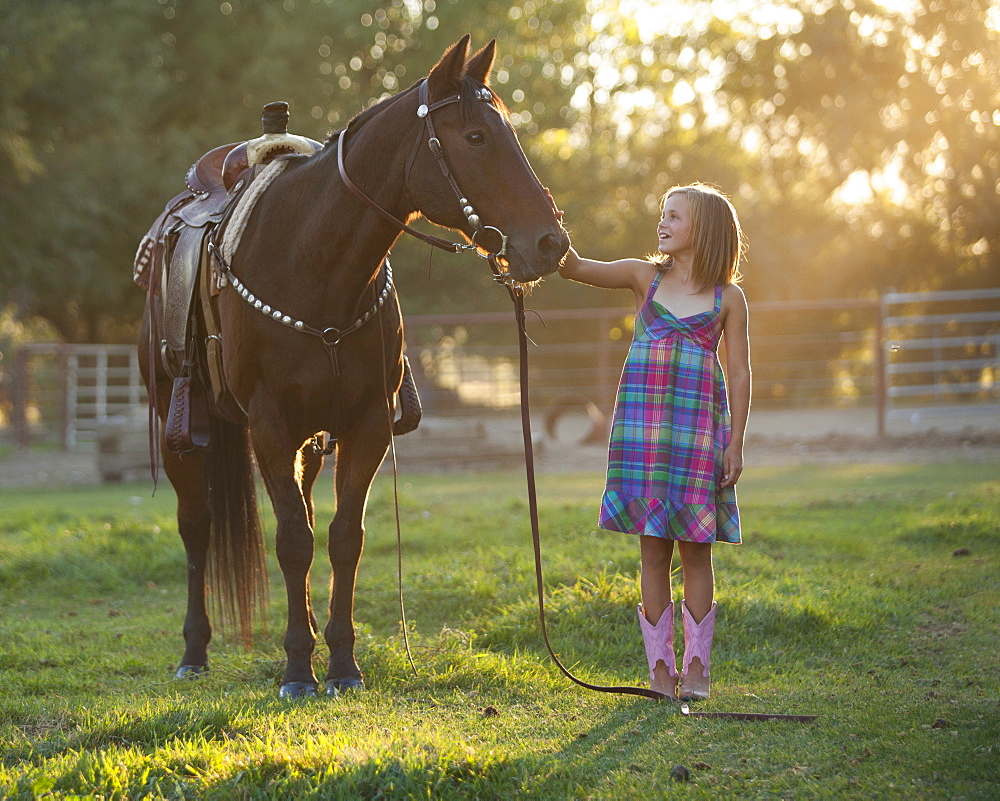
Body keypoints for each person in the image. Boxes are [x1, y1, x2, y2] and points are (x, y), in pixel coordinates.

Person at [558, 183, 750, 701]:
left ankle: (697, 669)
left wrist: (735, 442)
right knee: (651, 550)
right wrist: (553, 235)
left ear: (702, 229)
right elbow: (575, 267)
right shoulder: (643, 277)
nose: (661, 224)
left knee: (695, 553)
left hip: (696, 436)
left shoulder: (727, 299)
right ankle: (660, 669)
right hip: (643, 435)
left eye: (674, 217)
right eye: (661, 215)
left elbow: (740, 372)